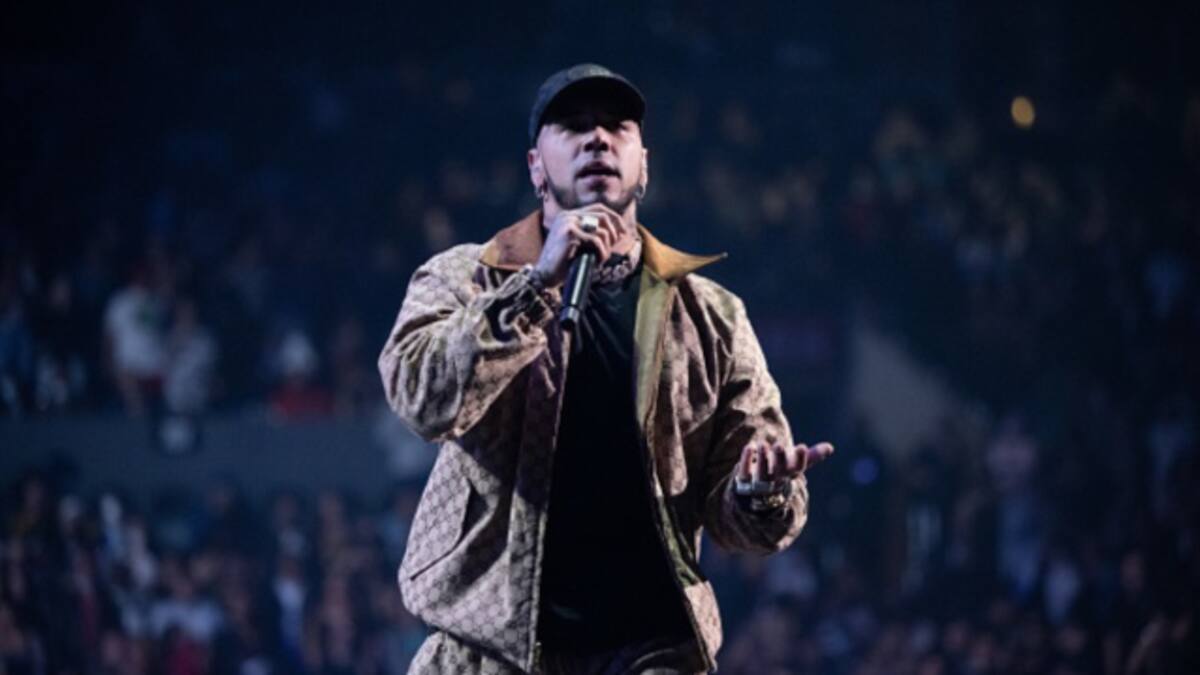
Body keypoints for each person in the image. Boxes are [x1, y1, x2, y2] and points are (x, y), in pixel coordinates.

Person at [378, 63, 834, 675]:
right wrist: (537, 284)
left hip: (648, 652)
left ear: (644, 165)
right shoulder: (465, 277)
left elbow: (750, 521)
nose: (597, 138)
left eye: (617, 127)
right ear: (536, 167)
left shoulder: (712, 316)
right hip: (491, 651)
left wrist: (759, 491)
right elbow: (420, 398)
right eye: (573, 125)